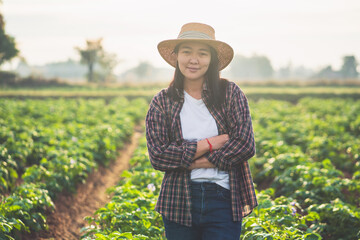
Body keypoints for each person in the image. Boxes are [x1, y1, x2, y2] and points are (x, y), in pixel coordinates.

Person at [145, 22, 257, 240]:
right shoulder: (162, 101)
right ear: (177, 56)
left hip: (224, 198)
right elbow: (158, 156)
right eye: (187, 52)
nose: (193, 60)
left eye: (202, 53)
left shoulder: (230, 93)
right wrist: (209, 144)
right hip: (177, 199)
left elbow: (245, 144)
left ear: (212, 59)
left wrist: (193, 161)